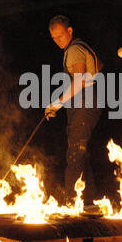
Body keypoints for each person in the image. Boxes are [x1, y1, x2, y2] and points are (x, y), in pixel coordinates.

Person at [45, 15, 103, 206]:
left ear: (69, 31)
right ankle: (89, 202)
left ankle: (71, 204)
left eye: (60, 36)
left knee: (75, 154)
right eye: (53, 38)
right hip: (85, 102)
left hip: (85, 102)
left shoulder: (75, 50)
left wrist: (55, 104)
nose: (57, 41)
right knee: (81, 153)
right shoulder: (77, 48)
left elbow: (79, 81)